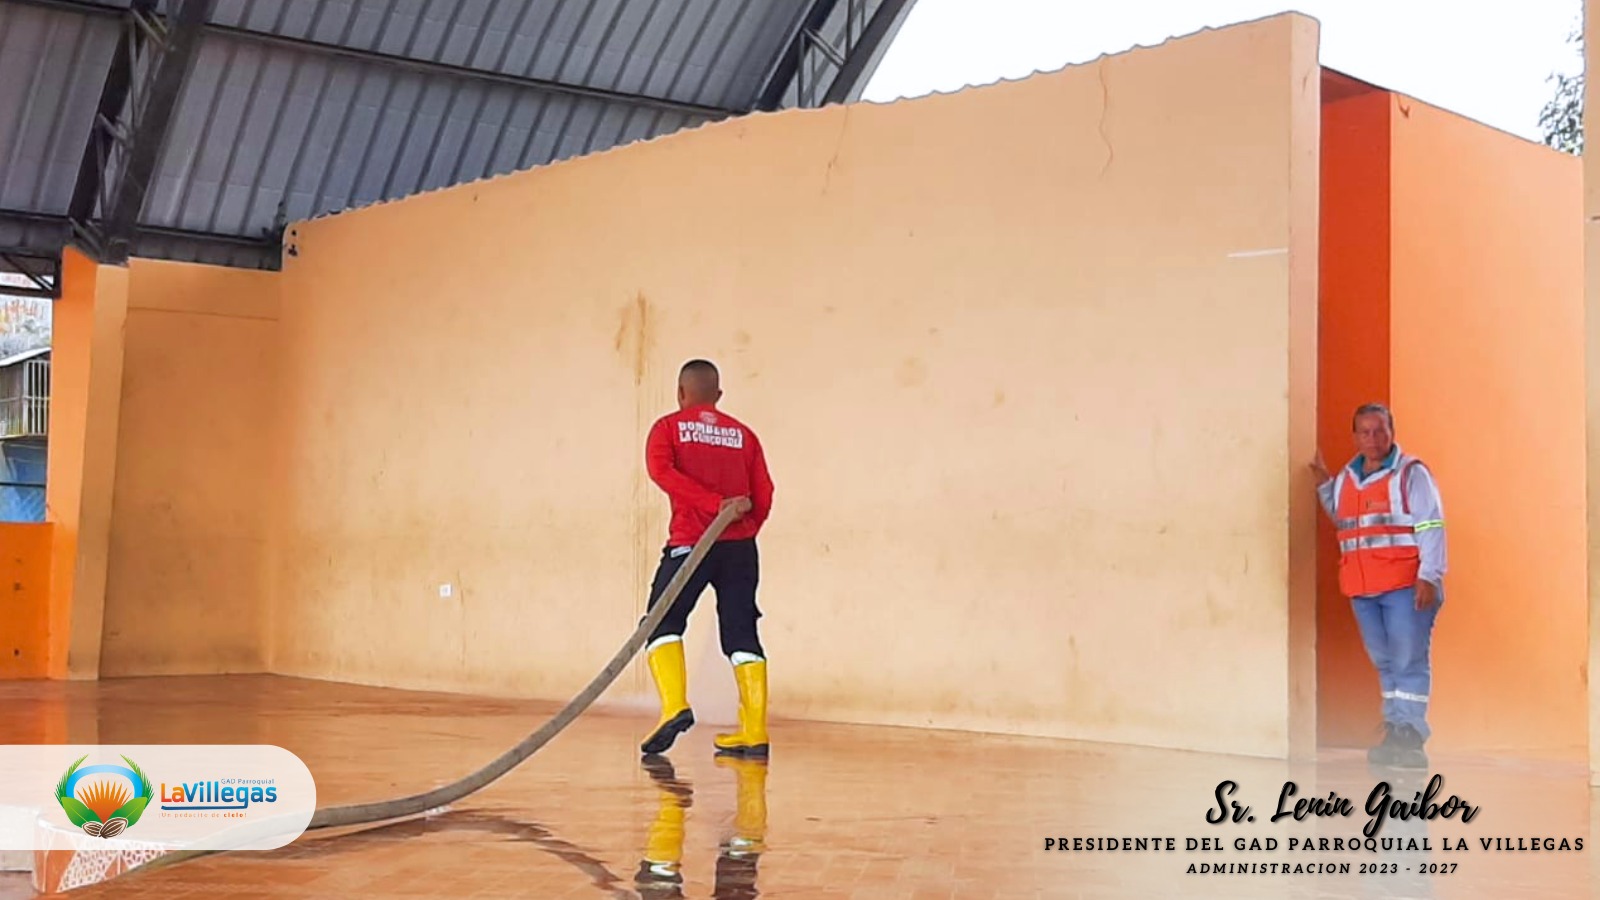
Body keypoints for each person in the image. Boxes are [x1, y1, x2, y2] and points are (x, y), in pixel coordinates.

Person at [639, 359, 775, 758]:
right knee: (742, 634)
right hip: (740, 547)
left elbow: (661, 472)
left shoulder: (668, 428)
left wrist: (712, 506)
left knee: (661, 623)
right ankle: (754, 731)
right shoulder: (744, 435)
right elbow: (765, 491)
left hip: (690, 542)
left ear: (681, 393)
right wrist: (744, 526)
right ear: (718, 395)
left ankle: (674, 707)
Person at [1311, 402, 1448, 769]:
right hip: (1363, 588)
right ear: (1355, 436)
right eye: (1365, 432)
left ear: (1392, 432)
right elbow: (1346, 519)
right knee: (1386, 663)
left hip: (1406, 585)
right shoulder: (1347, 478)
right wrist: (1325, 486)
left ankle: (1411, 734)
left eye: (1379, 431)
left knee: (1408, 660)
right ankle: (1394, 729)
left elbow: (1431, 525)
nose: (1372, 439)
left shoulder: (1411, 474)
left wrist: (1430, 575)